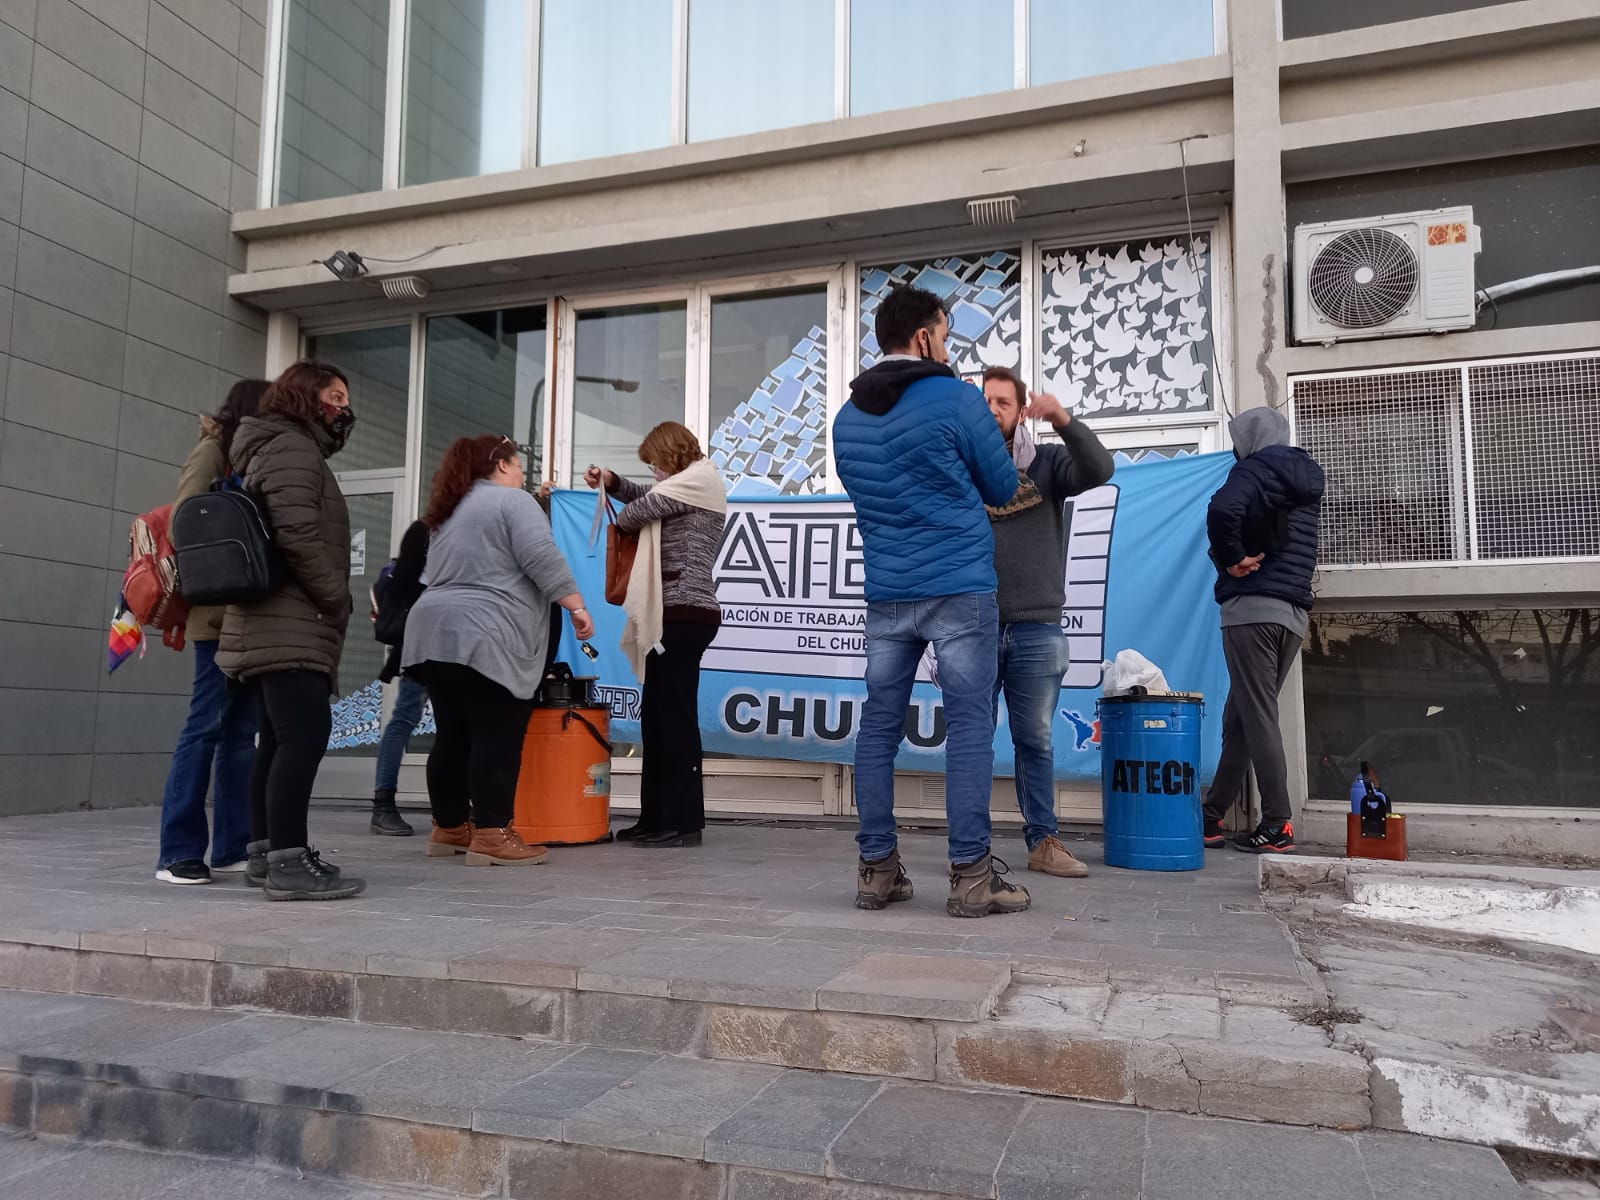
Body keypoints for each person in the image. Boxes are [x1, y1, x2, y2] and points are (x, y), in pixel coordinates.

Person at [832, 284, 1026, 919]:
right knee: (969, 724)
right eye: (944, 334)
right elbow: (1000, 485)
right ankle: (972, 876)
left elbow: (875, 495)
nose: (947, 347)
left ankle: (876, 871)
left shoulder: (846, 419)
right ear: (923, 337)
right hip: (960, 582)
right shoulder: (954, 396)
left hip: (888, 590)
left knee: (879, 726)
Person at [403, 436, 594, 866]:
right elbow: (541, 557)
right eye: (518, 465)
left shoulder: (446, 511)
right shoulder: (515, 502)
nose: (523, 473)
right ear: (503, 465)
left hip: (432, 632)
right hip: (487, 633)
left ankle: (450, 827)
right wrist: (576, 605)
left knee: (452, 734)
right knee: (497, 734)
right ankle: (492, 833)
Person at [219, 360, 364, 901]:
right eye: (335, 395)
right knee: (302, 737)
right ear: (307, 396)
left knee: (277, 741)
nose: (343, 408)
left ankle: (266, 854)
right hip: (290, 619)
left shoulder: (277, 446)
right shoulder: (292, 449)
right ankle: (288, 861)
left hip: (275, 619)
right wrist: (334, 594)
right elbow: (297, 532)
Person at [981, 366, 1114, 879]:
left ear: (1020, 413)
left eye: (1003, 403)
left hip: (1037, 629)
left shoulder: (1047, 463)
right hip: (974, 625)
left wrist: (1061, 417)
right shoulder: (962, 469)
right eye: (986, 402)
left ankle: (1043, 842)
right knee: (972, 739)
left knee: (1035, 740)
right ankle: (968, 846)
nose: (993, 410)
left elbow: (1099, 469)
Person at [585, 421, 728, 849]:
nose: (654, 475)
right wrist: (612, 482)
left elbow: (633, 515)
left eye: (655, 465)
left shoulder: (702, 480)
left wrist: (619, 491)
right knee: (658, 718)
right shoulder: (686, 485)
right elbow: (645, 499)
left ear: (671, 456)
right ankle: (655, 817)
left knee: (675, 718)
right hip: (673, 614)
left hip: (685, 613)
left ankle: (683, 823)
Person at [155, 379, 269, 885]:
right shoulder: (212, 451)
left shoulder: (252, 458)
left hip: (250, 617)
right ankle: (177, 851)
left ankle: (231, 846)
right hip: (215, 618)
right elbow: (186, 519)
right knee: (204, 728)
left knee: (241, 735)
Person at [1202, 407, 1325, 854]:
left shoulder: (1253, 470)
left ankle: (1277, 822)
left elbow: (1222, 510)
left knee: (1256, 716)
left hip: (1252, 609)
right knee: (1241, 716)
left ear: (1249, 438)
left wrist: (1233, 558)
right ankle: (1211, 816)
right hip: (1292, 613)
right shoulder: (1306, 479)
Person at [367, 517, 430, 836]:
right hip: (420, 647)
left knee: (456, 728)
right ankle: (383, 804)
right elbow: (404, 582)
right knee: (404, 719)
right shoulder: (425, 531)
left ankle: (456, 810)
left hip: (452, 644)